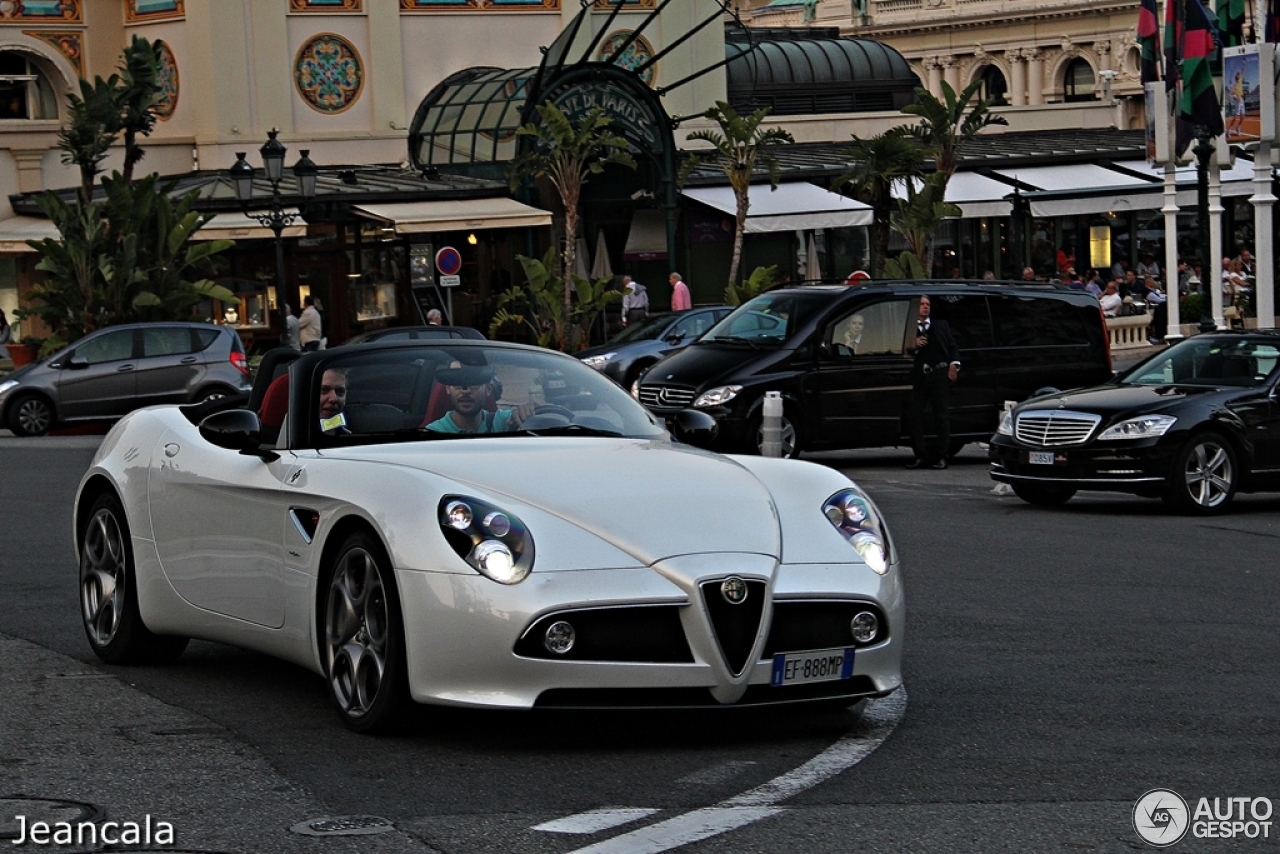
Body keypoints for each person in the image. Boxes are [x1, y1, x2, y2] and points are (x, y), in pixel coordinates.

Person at [906, 295, 960, 470]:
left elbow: (953, 346)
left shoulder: (940, 325)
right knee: (914, 415)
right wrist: (912, 343)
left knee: (941, 416)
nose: (925, 307)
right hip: (920, 376)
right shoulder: (908, 328)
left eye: (927, 304)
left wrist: (954, 365)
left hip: (939, 374)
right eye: (922, 304)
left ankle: (943, 457)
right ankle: (921, 456)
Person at [423, 362, 534, 434]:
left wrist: (527, 413)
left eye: (474, 382)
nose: (465, 390)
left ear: (489, 389)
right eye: (457, 382)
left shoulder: (504, 422)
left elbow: (537, 419)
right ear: (447, 389)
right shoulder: (432, 433)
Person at [318, 367, 350, 435]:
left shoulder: (348, 437)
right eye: (324, 390)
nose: (334, 398)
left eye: (340, 391)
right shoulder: (292, 434)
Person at [1143, 276, 1168, 343]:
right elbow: (1158, 300)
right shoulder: (1148, 292)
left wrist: (1166, 296)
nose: (1155, 282)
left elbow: (1160, 296)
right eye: (1153, 281)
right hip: (1153, 311)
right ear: (1149, 283)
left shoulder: (1152, 291)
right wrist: (1167, 299)